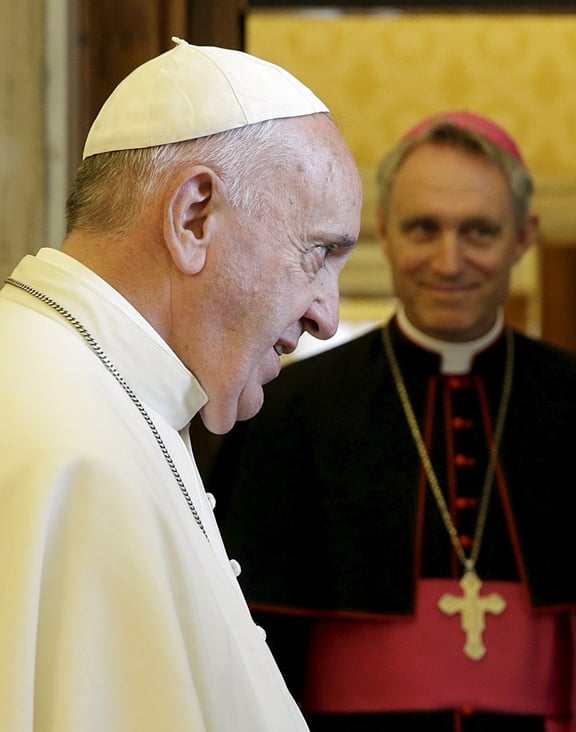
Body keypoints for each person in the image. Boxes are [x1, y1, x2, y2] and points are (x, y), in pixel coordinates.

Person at [208, 110, 576, 731]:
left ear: (524, 236)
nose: (449, 261)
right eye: (424, 229)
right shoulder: (290, 410)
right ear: (384, 232)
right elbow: (257, 652)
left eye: (479, 231)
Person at [0, 38, 362, 731]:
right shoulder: (76, 449)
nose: (327, 316)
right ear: (194, 215)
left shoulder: (95, 392)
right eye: (318, 253)